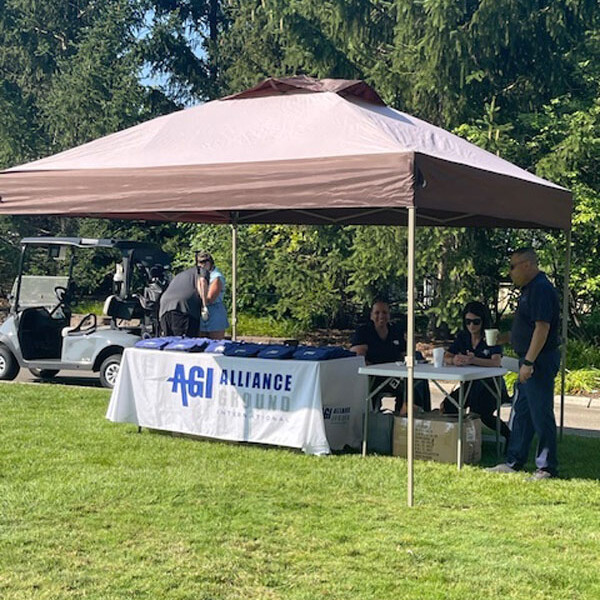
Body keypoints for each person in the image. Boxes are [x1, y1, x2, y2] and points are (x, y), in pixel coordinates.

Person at [489, 248, 560, 479]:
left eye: (513, 266)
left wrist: (529, 362)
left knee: (540, 413)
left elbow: (542, 328)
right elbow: (528, 329)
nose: (510, 272)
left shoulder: (541, 288)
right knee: (521, 412)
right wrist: (505, 338)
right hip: (526, 360)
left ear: (528, 265)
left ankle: (546, 467)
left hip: (538, 361)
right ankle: (513, 460)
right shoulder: (529, 289)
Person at [440, 301, 510, 443]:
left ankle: (509, 435)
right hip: (471, 384)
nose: (472, 326)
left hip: (492, 386)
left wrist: (474, 360)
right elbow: (446, 356)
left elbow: (496, 362)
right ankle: (459, 435)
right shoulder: (463, 337)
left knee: (481, 412)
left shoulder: (491, 337)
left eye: (476, 322)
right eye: (468, 322)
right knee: (448, 404)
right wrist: (455, 360)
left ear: (483, 321)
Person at [350, 300, 431, 414]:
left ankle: (419, 413)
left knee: (417, 380)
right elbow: (357, 359)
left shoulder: (395, 331)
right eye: (377, 313)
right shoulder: (364, 332)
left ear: (389, 315)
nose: (381, 316)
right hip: (373, 378)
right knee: (407, 386)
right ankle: (406, 413)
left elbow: (406, 355)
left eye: (384, 312)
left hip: (395, 375)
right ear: (371, 316)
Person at [158, 250, 213, 337]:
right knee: (185, 344)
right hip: (183, 309)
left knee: (168, 343)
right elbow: (202, 282)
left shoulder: (182, 274)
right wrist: (204, 306)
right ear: (208, 264)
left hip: (164, 307)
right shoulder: (202, 270)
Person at [196, 250, 229, 339]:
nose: (201, 264)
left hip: (215, 314)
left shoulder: (216, 277)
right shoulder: (199, 275)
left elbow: (210, 298)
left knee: (215, 344)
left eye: (204, 262)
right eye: (199, 262)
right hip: (202, 314)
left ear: (210, 262)